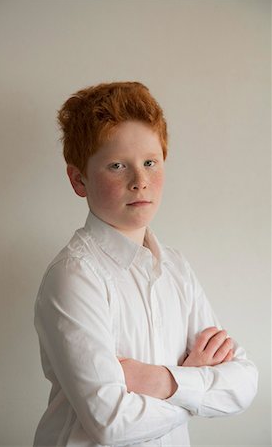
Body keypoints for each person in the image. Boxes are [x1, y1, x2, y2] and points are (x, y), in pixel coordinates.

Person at [33, 81, 258, 447]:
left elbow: (244, 383)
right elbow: (112, 423)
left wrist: (160, 380)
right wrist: (194, 384)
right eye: (117, 165)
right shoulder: (73, 276)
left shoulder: (176, 269)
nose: (140, 181)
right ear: (79, 180)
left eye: (150, 163)